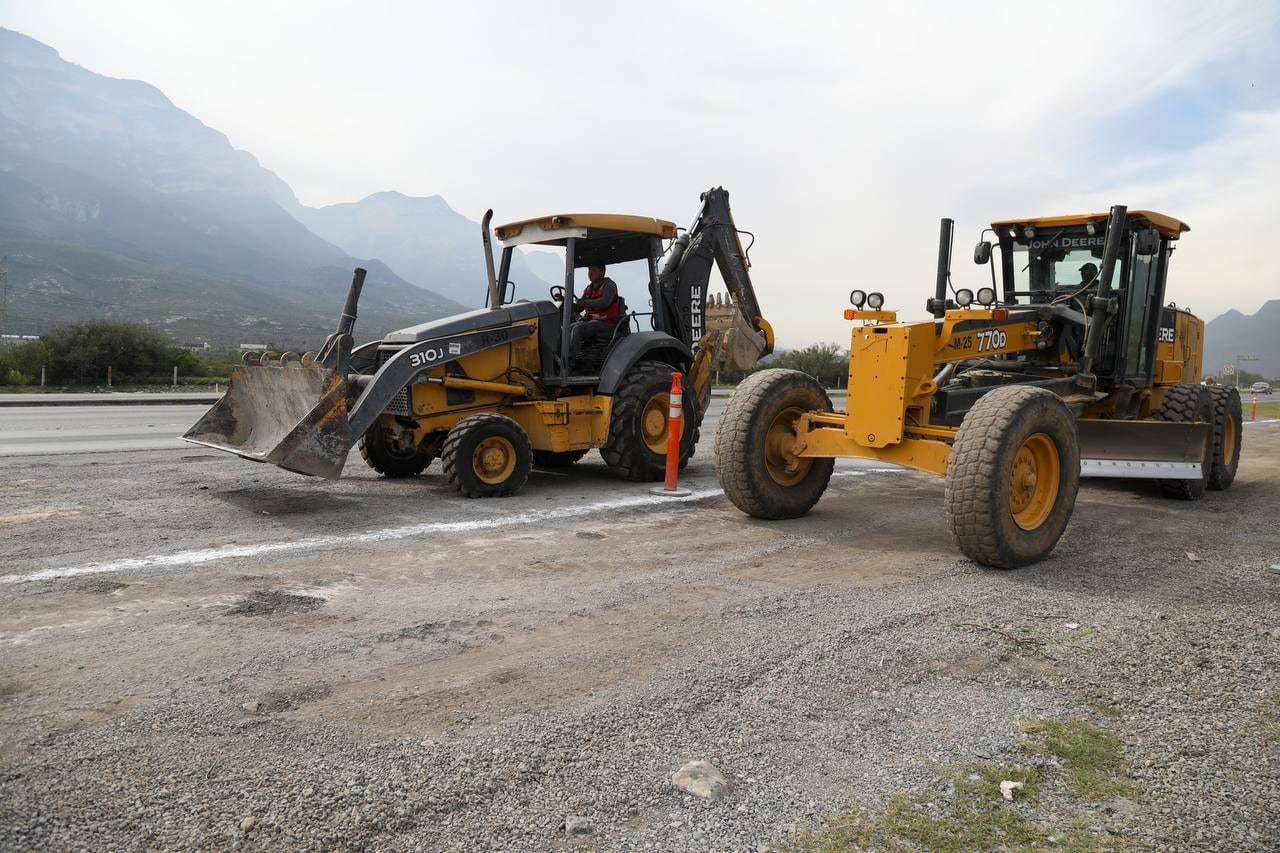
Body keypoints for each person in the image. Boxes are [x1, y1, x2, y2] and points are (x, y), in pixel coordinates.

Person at [569, 264, 622, 364]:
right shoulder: (589, 289)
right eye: (589, 269)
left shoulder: (609, 285)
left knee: (578, 329)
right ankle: (559, 359)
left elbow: (605, 301)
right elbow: (580, 306)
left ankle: (569, 362)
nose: (590, 272)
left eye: (594, 269)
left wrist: (585, 302)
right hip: (591, 321)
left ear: (602, 272)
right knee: (566, 328)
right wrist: (567, 304)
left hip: (607, 322)